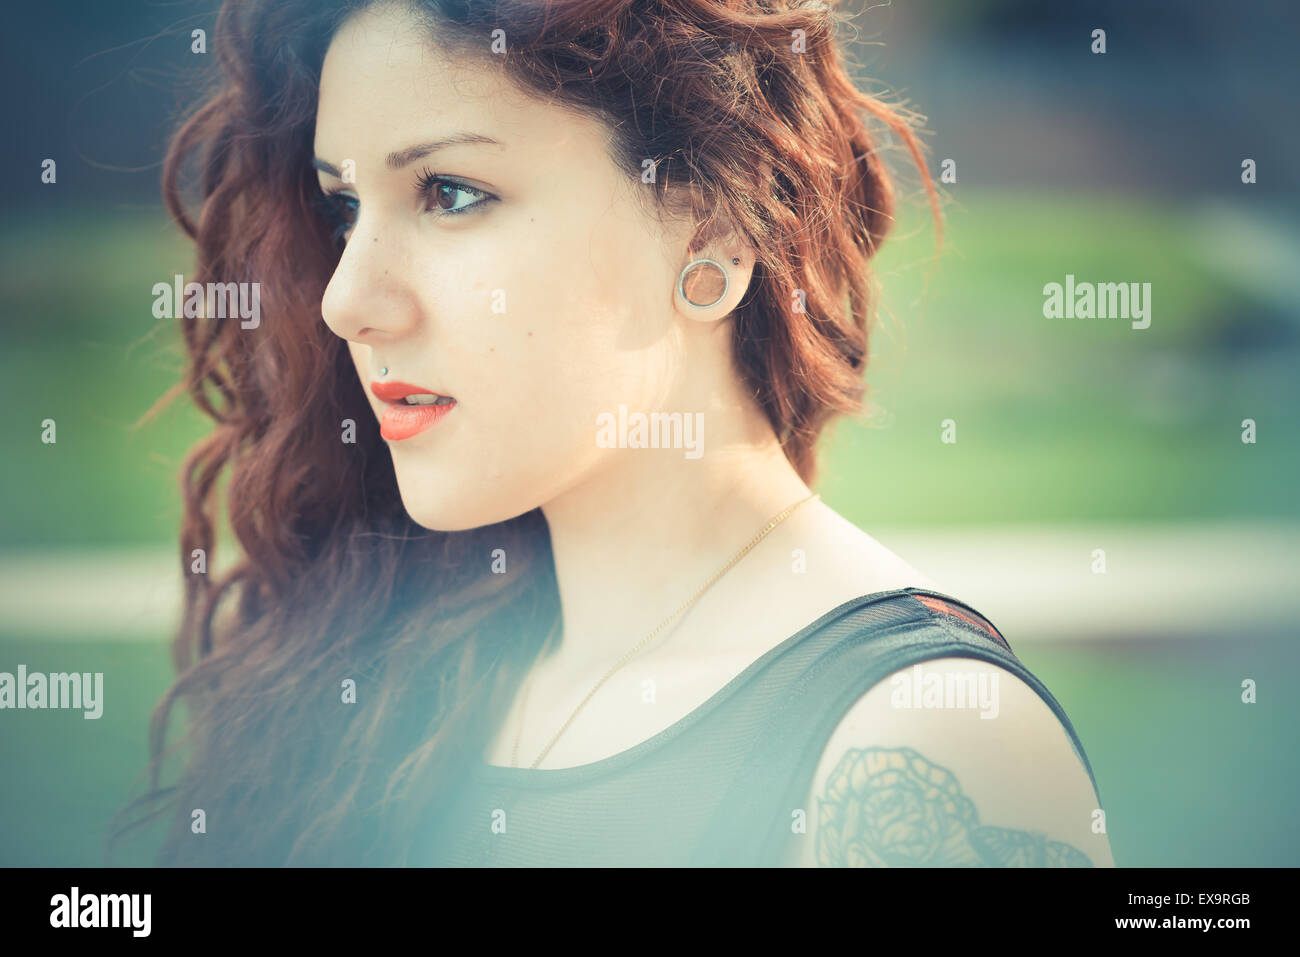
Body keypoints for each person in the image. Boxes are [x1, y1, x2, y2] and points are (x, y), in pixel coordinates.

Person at [112, 0, 1112, 867]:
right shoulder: (396, 676)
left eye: (450, 193)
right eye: (344, 208)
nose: (346, 301)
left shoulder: (920, 743)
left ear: (715, 237)